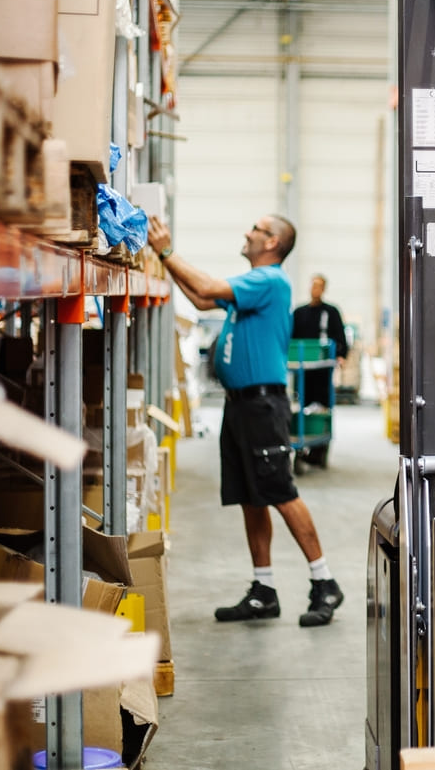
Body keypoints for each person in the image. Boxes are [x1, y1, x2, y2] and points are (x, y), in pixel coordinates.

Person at [147, 214, 346, 627]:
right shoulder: (250, 288)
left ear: (272, 242)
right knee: (251, 496)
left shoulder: (269, 280)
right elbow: (203, 300)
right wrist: (162, 259)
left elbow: (205, 287)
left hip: (262, 406)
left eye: (255, 230)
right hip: (239, 406)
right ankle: (263, 590)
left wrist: (166, 250)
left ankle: (324, 581)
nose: (247, 233)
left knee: (280, 491)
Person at [290, 274, 349, 469]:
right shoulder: (299, 313)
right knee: (303, 405)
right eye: (313, 285)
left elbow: (340, 337)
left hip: (322, 371)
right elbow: (291, 337)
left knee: (323, 405)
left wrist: (341, 355)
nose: (315, 289)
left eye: (319, 286)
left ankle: (320, 450)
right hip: (303, 371)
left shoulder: (330, 312)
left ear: (324, 289)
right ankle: (303, 446)